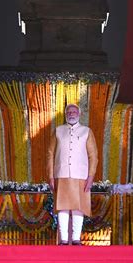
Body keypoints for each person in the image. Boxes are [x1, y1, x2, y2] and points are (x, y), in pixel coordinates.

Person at [46, 103, 98, 245]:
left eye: (74, 111)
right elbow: (50, 154)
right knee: (62, 207)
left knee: (78, 207)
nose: (71, 114)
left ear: (79, 114)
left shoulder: (86, 131)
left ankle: (76, 239)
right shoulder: (58, 131)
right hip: (61, 174)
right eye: (69, 112)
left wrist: (91, 176)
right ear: (65, 114)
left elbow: (93, 155)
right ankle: (63, 240)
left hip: (81, 175)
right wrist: (51, 176)